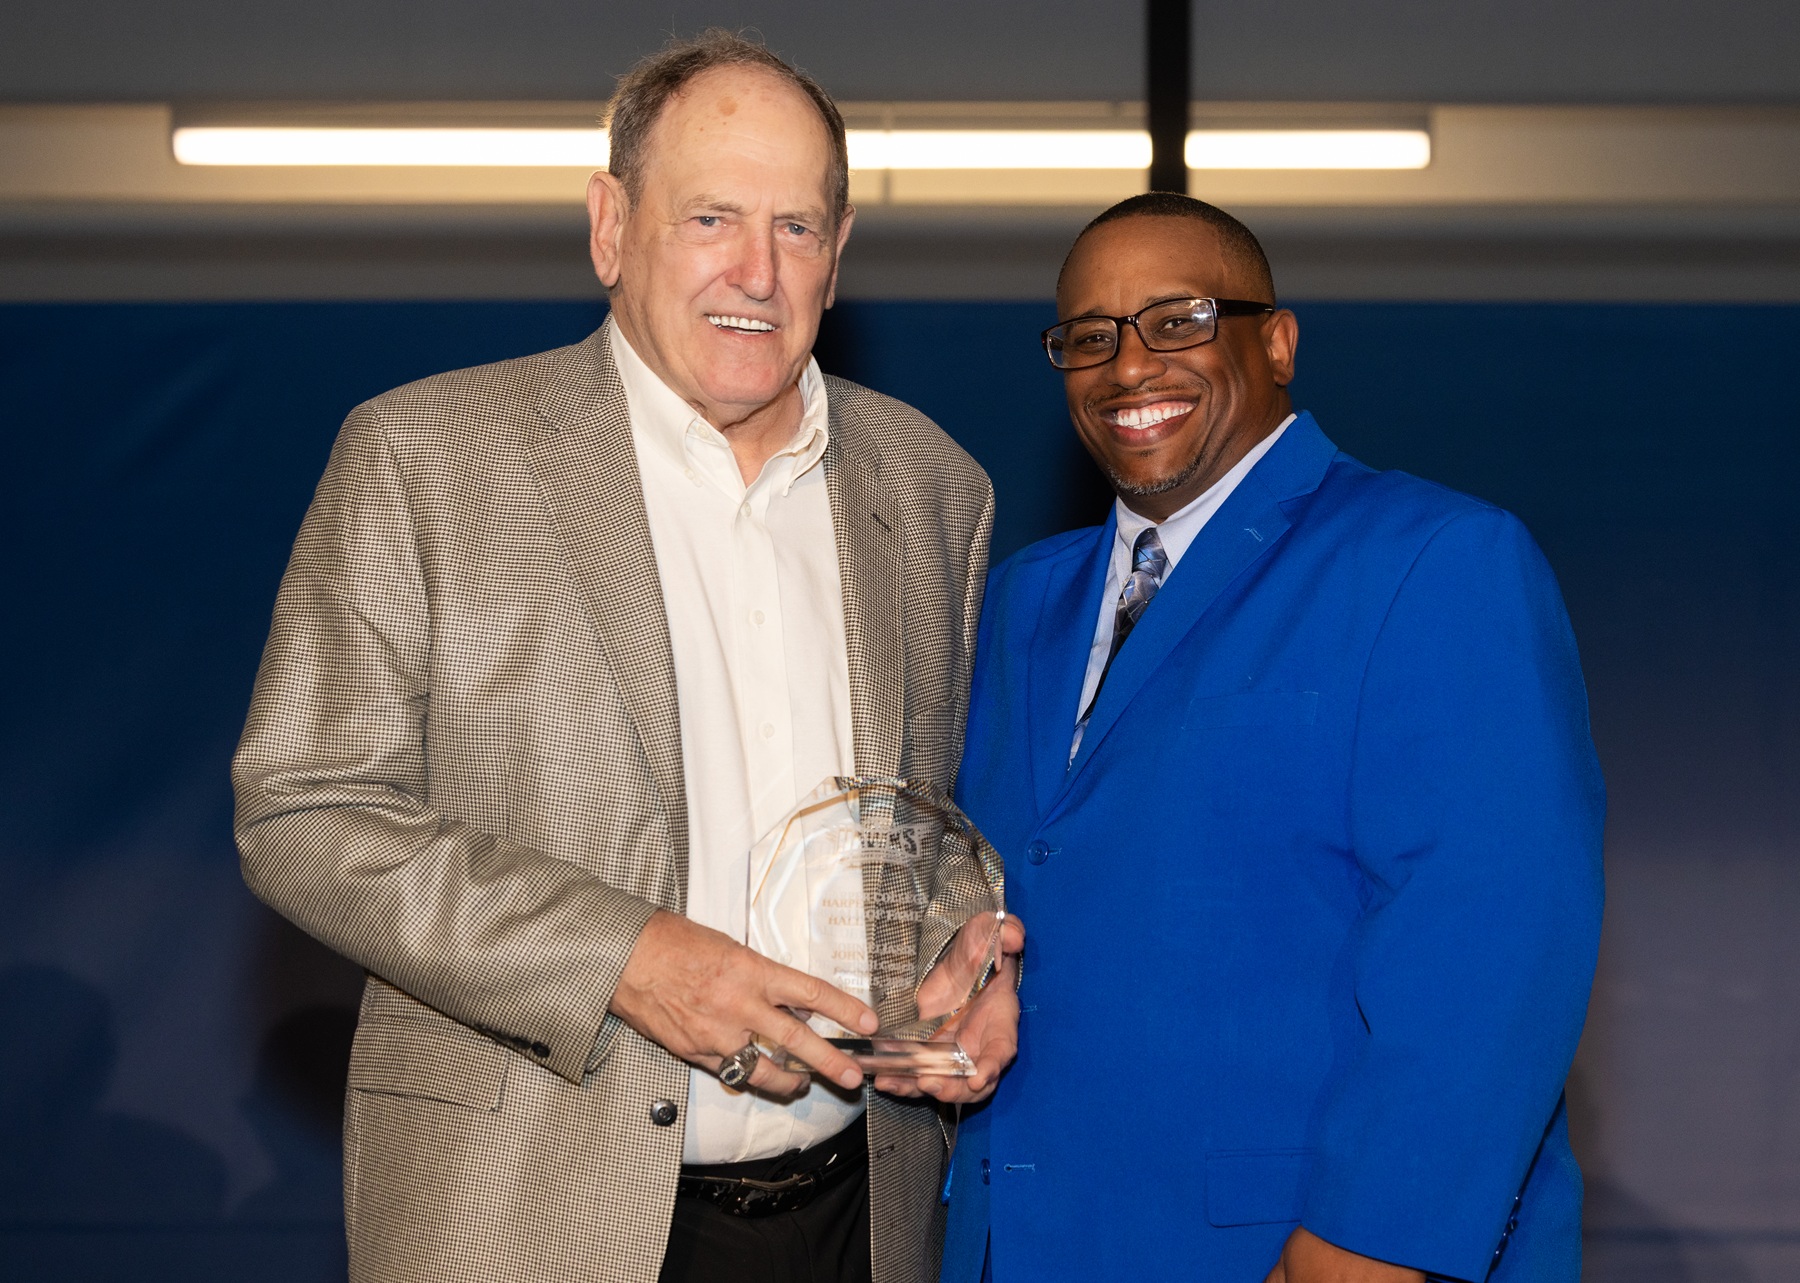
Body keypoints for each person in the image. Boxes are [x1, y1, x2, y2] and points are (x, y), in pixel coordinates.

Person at [233, 31, 1018, 1283]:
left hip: (861, 1219)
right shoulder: (423, 457)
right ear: (610, 226)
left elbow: (919, 829)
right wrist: (629, 959)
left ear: (840, 249)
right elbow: (303, 811)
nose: (756, 270)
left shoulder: (934, 487)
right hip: (525, 1215)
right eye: (709, 216)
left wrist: (959, 958)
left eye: (797, 227)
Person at [941, 193, 1605, 1283]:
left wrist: (1371, 1237)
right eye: (1090, 336)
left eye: (1178, 319)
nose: (1128, 363)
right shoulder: (1017, 602)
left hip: (1304, 1247)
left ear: (1279, 340)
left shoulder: (1432, 559)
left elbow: (1497, 922)